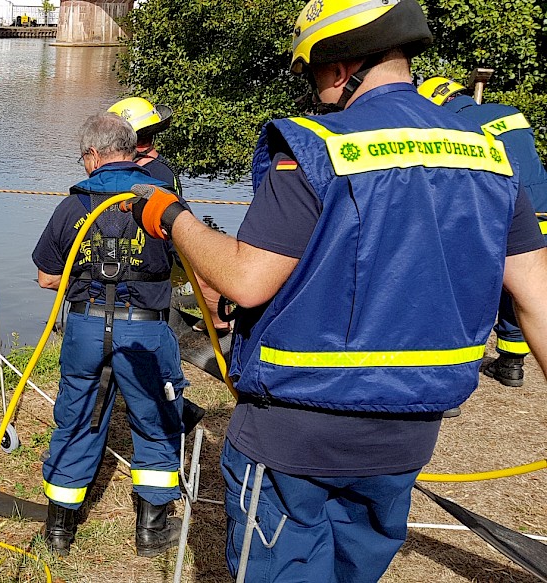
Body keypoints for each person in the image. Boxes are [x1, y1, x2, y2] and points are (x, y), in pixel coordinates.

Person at [125, 0, 547, 579]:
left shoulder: (315, 145)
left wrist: (170, 216)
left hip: (292, 432)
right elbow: (537, 301)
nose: (318, 97)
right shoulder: (489, 156)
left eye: (314, 79)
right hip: (406, 434)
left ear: (336, 67)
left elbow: (247, 280)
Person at [32, 113, 187, 558]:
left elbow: (47, 277)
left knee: (76, 419)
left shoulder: (71, 207)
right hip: (144, 331)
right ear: (133, 149)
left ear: (95, 156)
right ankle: (151, 532)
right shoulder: (161, 201)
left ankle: (59, 533)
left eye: (84, 158)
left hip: (84, 327)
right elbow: (195, 263)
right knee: (155, 421)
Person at [417, 76, 547, 387]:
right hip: (542, 208)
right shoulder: (508, 111)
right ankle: (512, 364)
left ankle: (448, 374)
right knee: (522, 285)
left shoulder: (450, 128)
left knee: (462, 289)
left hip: (498, 210)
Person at [108, 96, 229, 336]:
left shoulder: (149, 175)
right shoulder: (159, 167)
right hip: (154, 256)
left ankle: (218, 322)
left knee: (198, 265)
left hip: (159, 243)